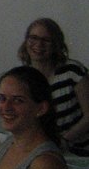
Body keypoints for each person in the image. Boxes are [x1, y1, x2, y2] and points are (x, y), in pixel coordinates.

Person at [18, 18, 89, 155]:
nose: (39, 44)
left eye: (46, 40)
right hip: (43, 150)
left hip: (80, 153)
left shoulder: (73, 71)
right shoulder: (24, 77)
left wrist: (63, 140)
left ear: (56, 44)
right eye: (33, 38)